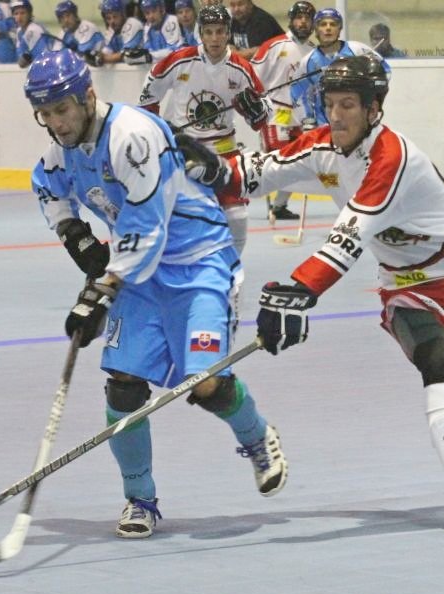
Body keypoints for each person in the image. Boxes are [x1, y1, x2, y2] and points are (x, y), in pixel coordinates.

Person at [177, 54, 444, 538]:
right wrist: (212, 167)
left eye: (348, 105)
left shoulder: (393, 158)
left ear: (374, 108)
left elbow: (350, 235)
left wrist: (299, 289)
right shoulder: (323, 145)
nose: (335, 116)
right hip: (404, 286)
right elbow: (259, 170)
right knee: (434, 361)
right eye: (330, 104)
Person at [25, 48, 287, 538]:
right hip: (139, 276)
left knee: (204, 384)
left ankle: (256, 437)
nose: (56, 123)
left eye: (62, 109)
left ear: (87, 97)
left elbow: (149, 228)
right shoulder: (61, 152)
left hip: (199, 261)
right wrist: (80, 242)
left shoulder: (132, 136)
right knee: (123, 386)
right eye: (45, 113)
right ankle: (139, 498)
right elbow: (47, 189)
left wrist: (103, 289)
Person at [137, 4, 269, 254]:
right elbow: (149, 94)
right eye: (208, 32)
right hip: (184, 151)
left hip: (225, 152)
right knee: (177, 217)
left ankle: (231, 266)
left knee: (237, 216)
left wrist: (257, 111)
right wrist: (157, 128)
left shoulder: (241, 67)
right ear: (201, 33)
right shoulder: (180, 60)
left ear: (228, 33)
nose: (214, 38)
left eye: (220, 31)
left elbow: (262, 115)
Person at [250, 0, 315, 221]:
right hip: (275, 114)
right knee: (279, 164)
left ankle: (279, 206)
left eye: (307, 18)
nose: (303, 22)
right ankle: (242, 188)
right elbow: (253, 76)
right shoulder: (274, 45)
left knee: (298, 164)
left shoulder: (313, 51)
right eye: (299, 18)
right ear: (291, 21)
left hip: (299, 118)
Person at [290, 8, 389, 128]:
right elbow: (297, 94)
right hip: (325, 127)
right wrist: (307, 119)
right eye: (323, 24)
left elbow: (385, 71)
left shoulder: (357, 50)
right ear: (316, 29)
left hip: (357, 124)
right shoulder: (307, 62)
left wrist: (372, 99)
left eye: (333, 24)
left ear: (340, 28)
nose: (328, 28)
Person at [128, 0, 182, 65]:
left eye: (154, 11)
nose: (151, 16)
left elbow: (174, 51)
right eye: (147, 13)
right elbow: (148, 50)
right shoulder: (147, 27)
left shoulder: (172, 21)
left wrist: (149, 57)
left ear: (162, 10)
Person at [54, 0, 104, 65]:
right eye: (62, 18)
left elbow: (82, 56)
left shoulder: (87, 27)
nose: (66, 20)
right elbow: (56, 55)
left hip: (104, 66)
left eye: (68, 16)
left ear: (75, 15)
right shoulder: (63, 33)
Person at [99, 0, 143, 64]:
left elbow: (126, 55)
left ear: (123, 15)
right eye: (108, 18)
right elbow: (106, 52)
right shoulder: (111, 30)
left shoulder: (133, 24)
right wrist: (99, 56)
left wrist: (103, 59)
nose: (112, 21)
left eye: (115, 16)